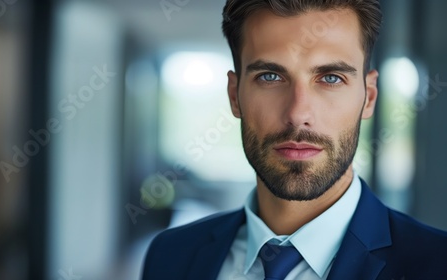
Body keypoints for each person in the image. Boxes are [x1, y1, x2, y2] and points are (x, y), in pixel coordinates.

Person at [142, 0, 447, 279]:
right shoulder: (170, 255)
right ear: (235, 96)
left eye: (331, 78)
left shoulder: (437, 264)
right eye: (270, 77)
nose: (298, 113)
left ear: (368, 97)